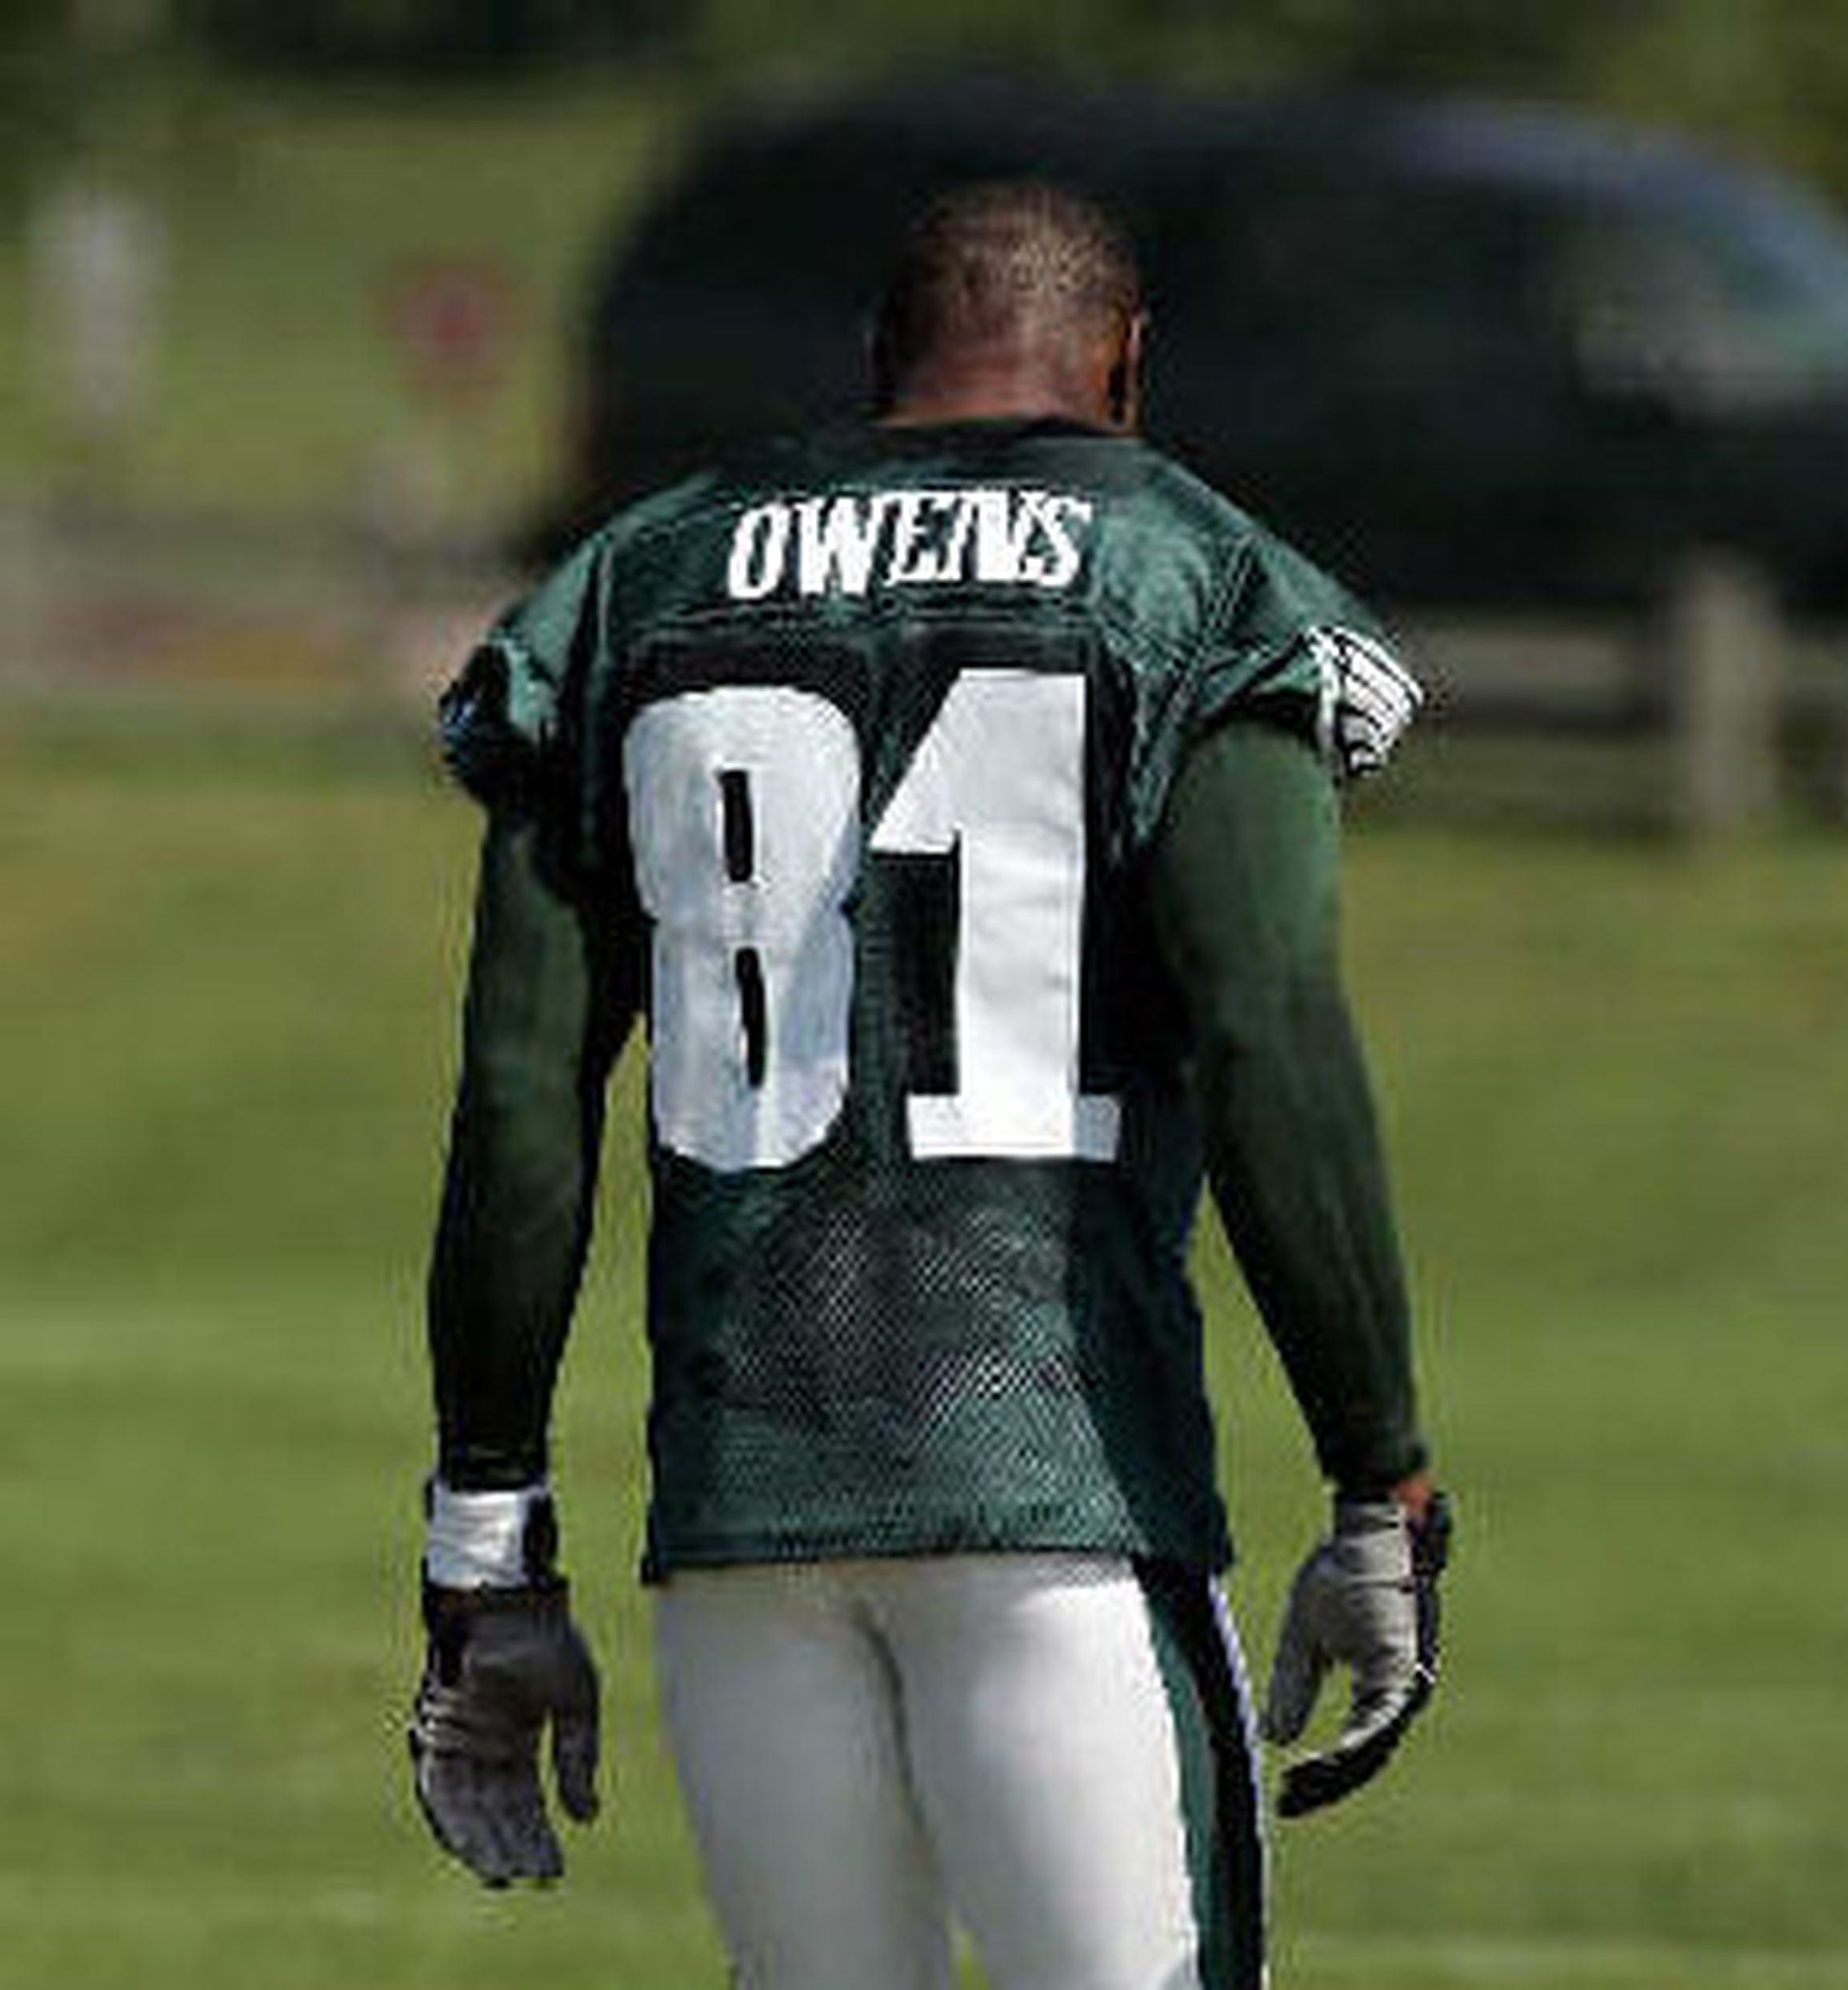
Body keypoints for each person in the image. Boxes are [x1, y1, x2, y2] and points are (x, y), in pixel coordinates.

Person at [408, 180, 1449, 1990]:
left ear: (867, 367)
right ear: (1126, 371)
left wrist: (483, 1545)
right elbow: (1265, 1024)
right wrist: (1382, 1480)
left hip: (741, 1522)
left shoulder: (635, 580)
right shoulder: (1184, 567)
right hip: (1061, 1486)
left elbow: (518, 1095)